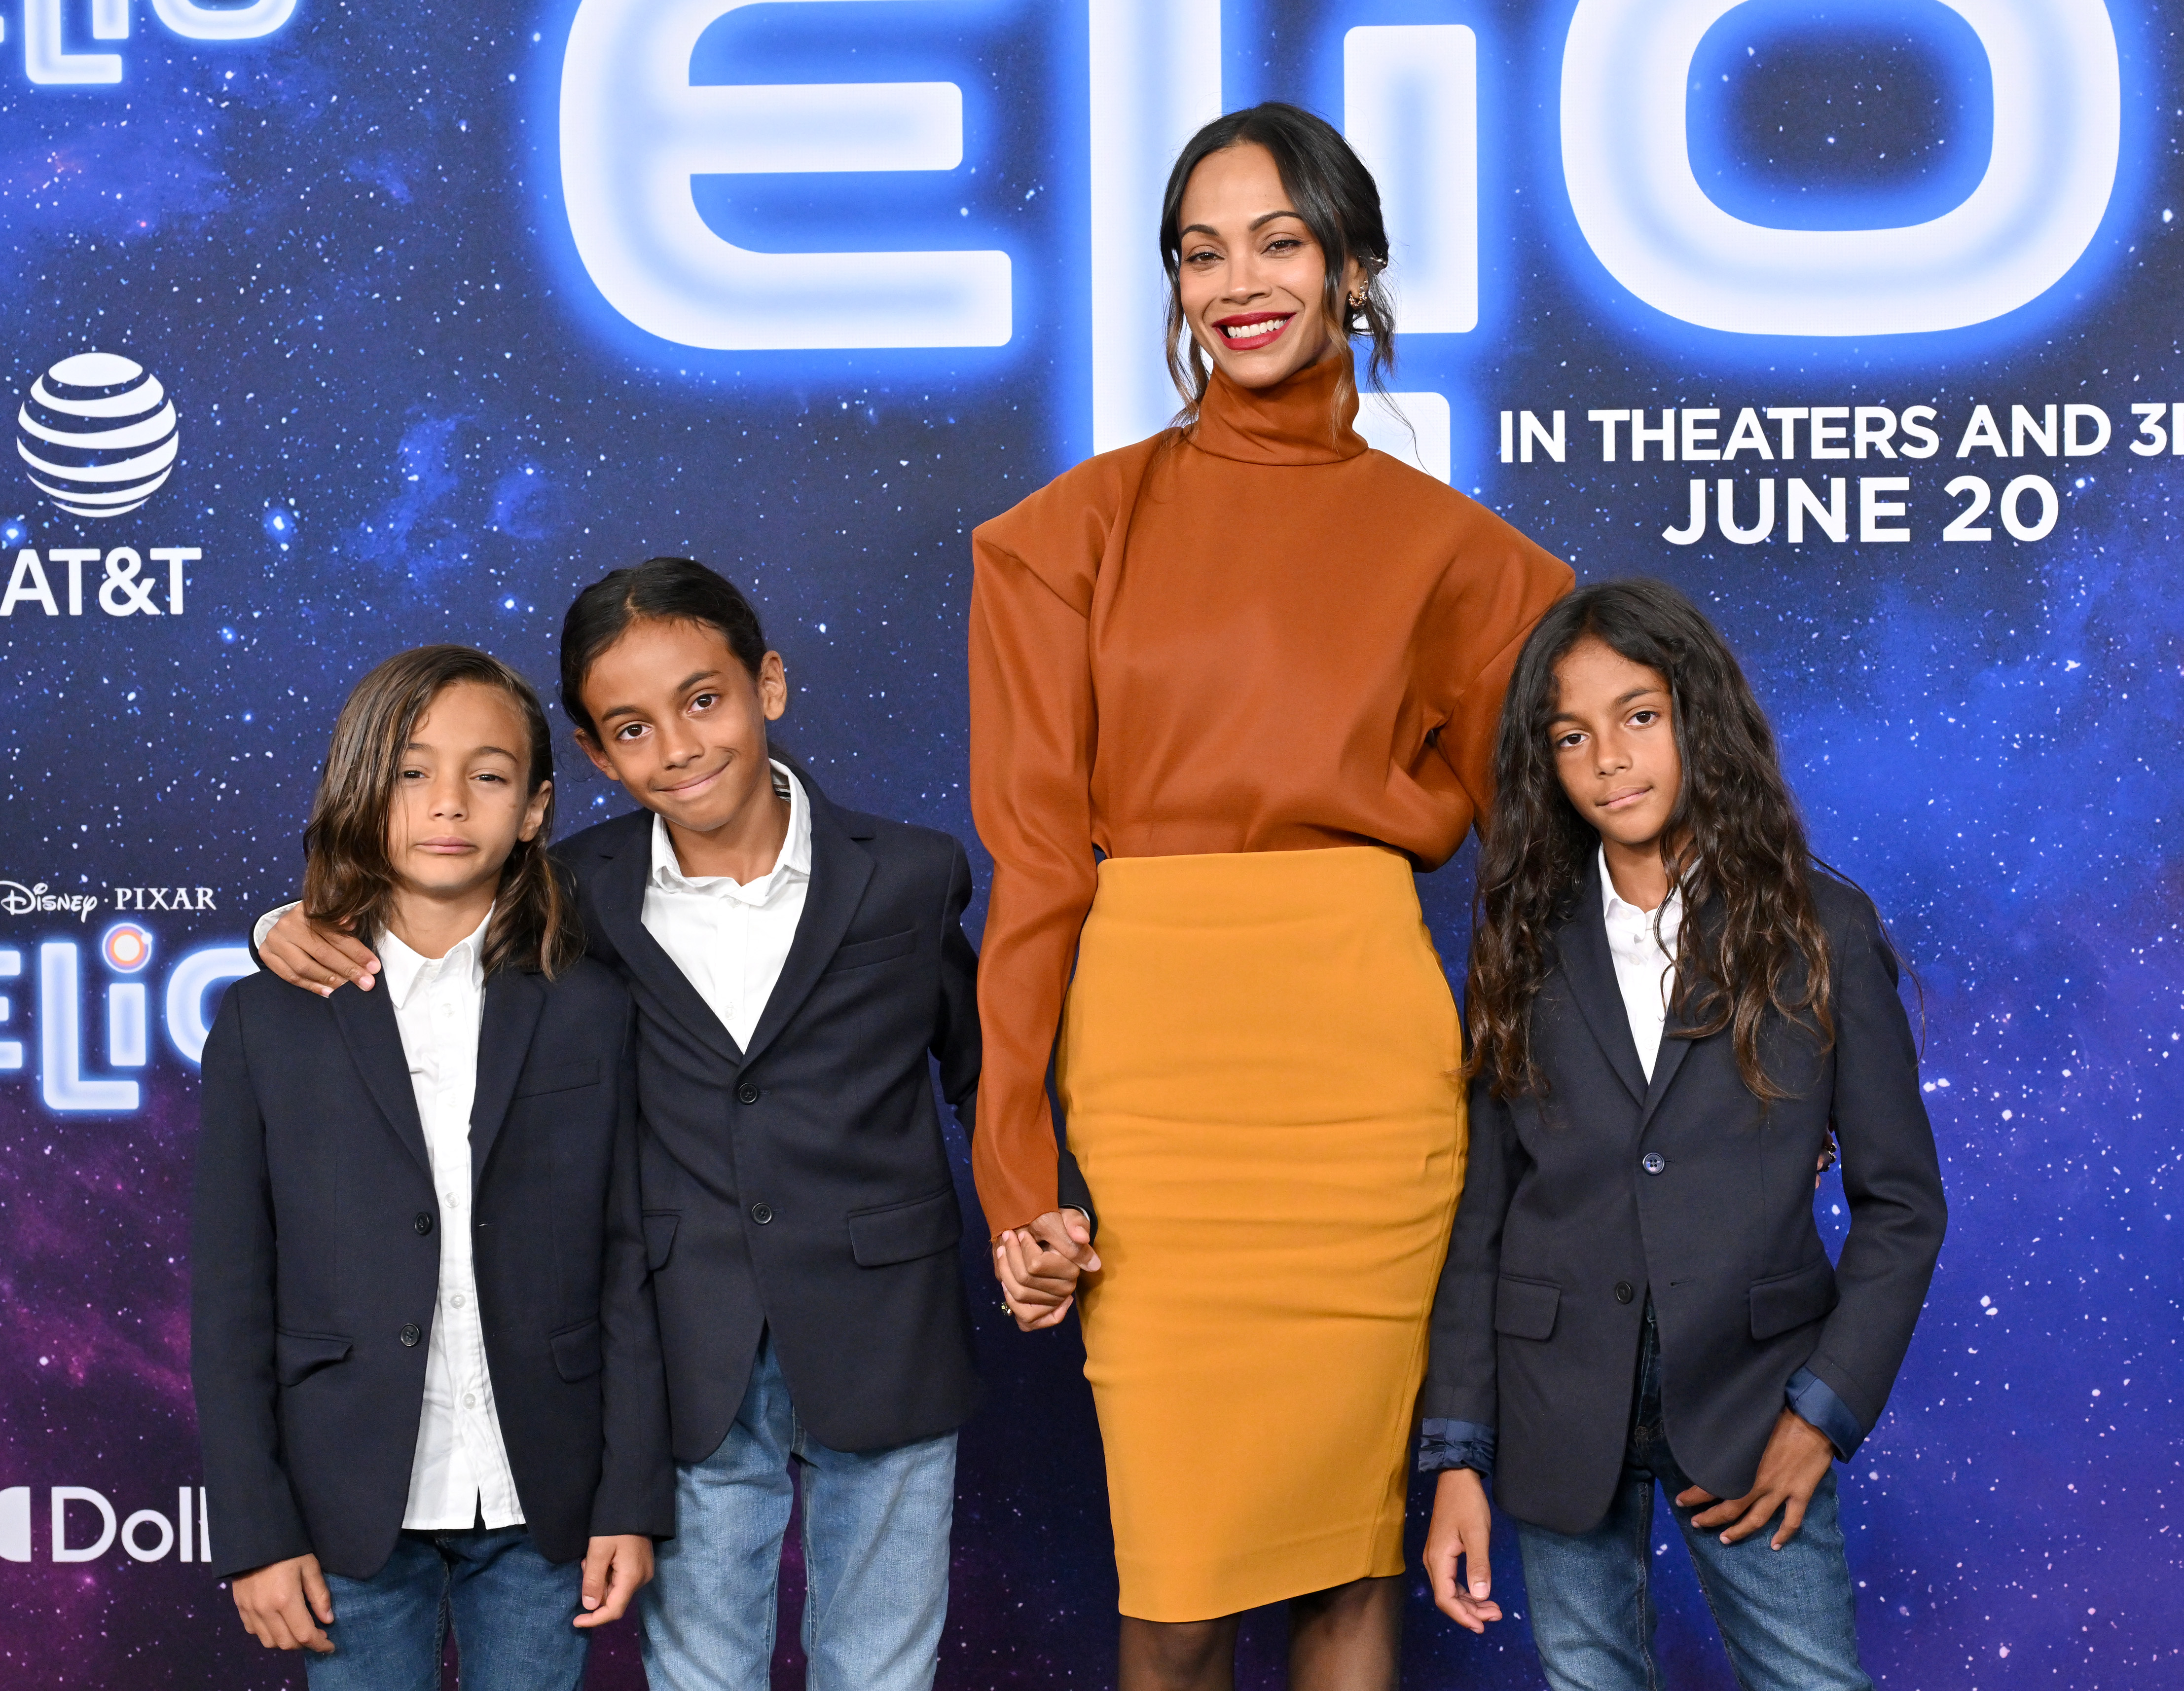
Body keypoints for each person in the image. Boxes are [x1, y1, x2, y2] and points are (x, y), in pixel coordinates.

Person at [968, 102, 1573, 1691]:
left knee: (1350, 1574)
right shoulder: (1062, 541)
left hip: (1365, 1086)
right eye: (1199, 249)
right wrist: (1016, 1161)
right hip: (1160, 1083)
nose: (1238, 281)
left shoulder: (1468, 560)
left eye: (1279, 241)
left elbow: (1559, 850)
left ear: (1354, 268)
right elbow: (1035, 868)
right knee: (1172, 1590)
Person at [253, 559, 1030, 1691]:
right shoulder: (573, 892)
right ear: (594, 751)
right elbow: (433, 935)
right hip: (686, 1342)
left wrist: (1032, 1219)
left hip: (887, 1323)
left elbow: (988, 1068)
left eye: (703, 699)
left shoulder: (909, 875)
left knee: (883, 1666)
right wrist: (286, 920)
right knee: (702, 1666)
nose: (677, 746)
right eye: (633, 726)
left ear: (768, 682)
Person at [1418, 579, 1948, 1691]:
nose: (1610, 757)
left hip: (1758, 1402)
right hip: (1557, 1403)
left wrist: (1822, 1415)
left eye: (1639, 716)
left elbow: (1904, 1205)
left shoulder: (1822, 927)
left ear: (1699, 715)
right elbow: (1482, 1217)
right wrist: (1457, 1455)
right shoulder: (1522, 939)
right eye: (1573, 735)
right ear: (1546, 764)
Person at [191, 645, 670, 1691]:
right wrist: (255, 1529)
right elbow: (230, 1295)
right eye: (412, 772)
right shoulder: (267, 1019)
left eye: (488, 775)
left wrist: (630, 1497)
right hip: (345, 1501)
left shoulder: (590, 1007)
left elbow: (630, 1263)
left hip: (546, 1493)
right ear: (365, 789)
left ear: (538, 807)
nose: (449, 803)